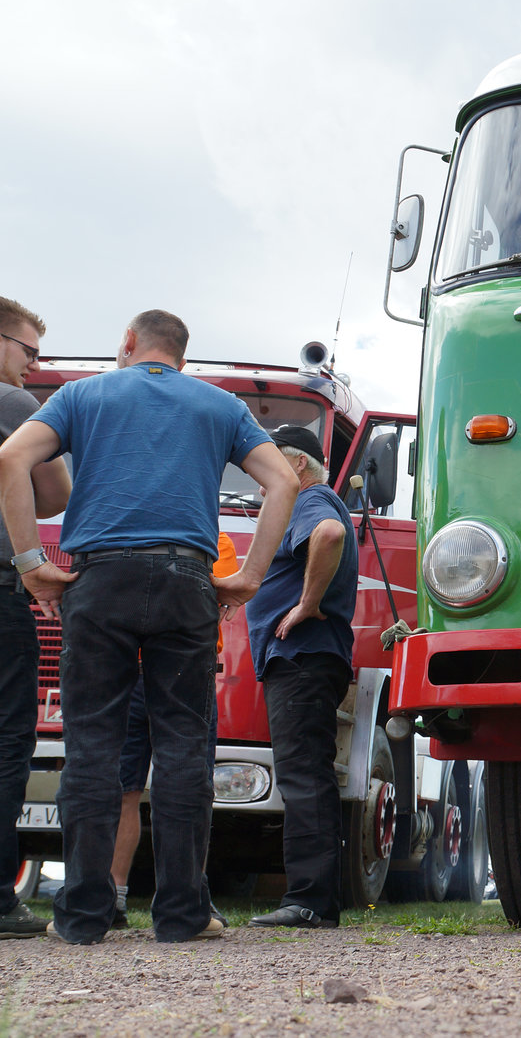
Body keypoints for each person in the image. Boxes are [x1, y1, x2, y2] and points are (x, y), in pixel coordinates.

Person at [0, 309, 297, 944]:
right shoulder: (216, 406)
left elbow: (11, 459)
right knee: (186, 746)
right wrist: (248, 576)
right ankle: (184, 913)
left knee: (93, 747)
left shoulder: (82, 395)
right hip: (186, 582)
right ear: (182, 359)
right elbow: (281, 482)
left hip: (98, 582)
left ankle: (80, 915)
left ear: (128, 343)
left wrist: (30, 564)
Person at [246, 425, 358, 930]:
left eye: (266, 467)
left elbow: (329, 536)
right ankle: (316, 899)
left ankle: (309, 901)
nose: (258, 483)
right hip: (306, 659)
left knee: (303, 777)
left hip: (301, 657)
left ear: (296, 466)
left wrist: (307, 603)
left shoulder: (311, 501)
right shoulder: (315, 502)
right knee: (307, 775)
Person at [109, 532, 237, 929]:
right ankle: (131, 898)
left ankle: (122, 897)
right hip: (176, 671)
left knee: (140, 788)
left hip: (143, 669)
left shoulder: (125, 540)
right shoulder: (214, 543)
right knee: (176, 785)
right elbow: (212, 604)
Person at [0, 297, 71, 940]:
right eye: (27, 351)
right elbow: (56, 494)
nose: (33, 366)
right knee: (5, 741)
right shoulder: (16, 406)